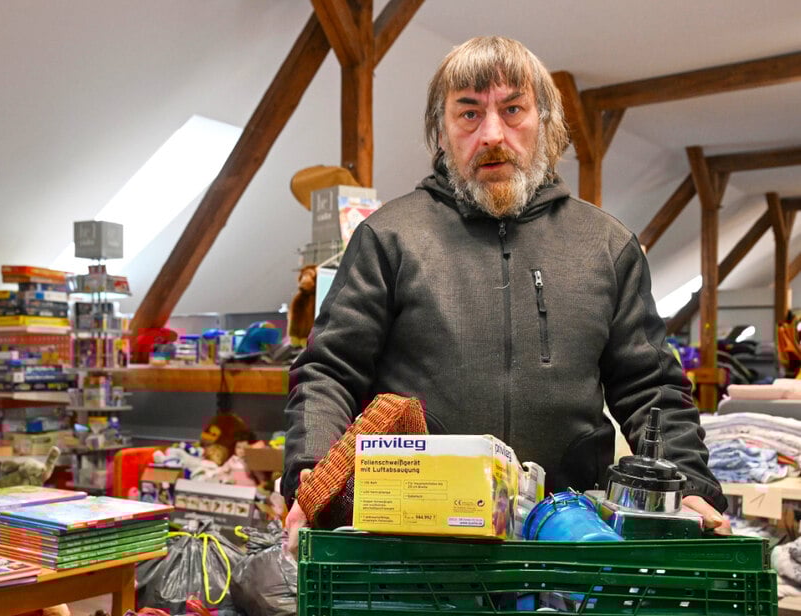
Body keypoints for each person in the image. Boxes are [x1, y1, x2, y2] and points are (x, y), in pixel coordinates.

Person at [282, 36, 730, 554]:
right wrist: (311, 475)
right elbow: (329, 370)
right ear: (442, 131)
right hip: (416, 537)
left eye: (513, 109)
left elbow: (651, 386)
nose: (492, 133)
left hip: (569, 537)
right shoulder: (390, 237)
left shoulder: (607, 245)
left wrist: (689, 486)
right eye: (468, 114)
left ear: (546, 122)